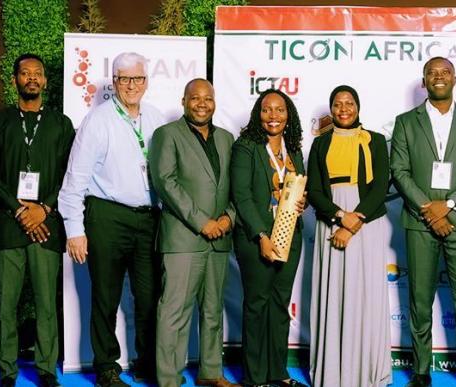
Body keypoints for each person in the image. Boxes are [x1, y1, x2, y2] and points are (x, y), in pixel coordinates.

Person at [58, 52, 166, 387]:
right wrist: (75, 230)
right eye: (124, 79)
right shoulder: (98, 120)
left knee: (149, 297)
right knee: (105, 297)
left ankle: (147, 363)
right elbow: (75, 178)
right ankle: (106, 366)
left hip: (150, 218)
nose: (131, 85)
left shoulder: (156, 117)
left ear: (145, 82)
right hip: (107, 216)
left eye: (138, 79)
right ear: (114, 82)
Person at [390, 56, 456, 387]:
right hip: (420, 224)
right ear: (423, 81)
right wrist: (428, 209)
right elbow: (400, 171)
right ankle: (421, 371)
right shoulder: (406, 121)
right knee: (419, 300)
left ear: (454, 78)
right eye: (432, 73)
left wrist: (447, 206)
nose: (438, 77)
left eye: (444, 72)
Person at [0, 53, 74, 387]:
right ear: (14, 80)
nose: (32, 78)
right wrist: (19, 209)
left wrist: (45, 208)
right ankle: (6, 370)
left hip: (46, 226)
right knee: (5, 303)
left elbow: (70, 173)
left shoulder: (61, 124)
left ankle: (46, 369)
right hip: (7, 224)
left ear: (46, 81)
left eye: (38, 73)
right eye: (25, 73)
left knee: (46, 302)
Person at [149, 79, 239, 387]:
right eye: (195, 98)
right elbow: (166, 183)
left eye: (208, 98)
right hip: (183, 239)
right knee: (174, 312)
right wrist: (203, 222)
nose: (202, 103)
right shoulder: (166, 135)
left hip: (220, 239)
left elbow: (236, 187)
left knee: (213, 311)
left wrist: (228, 218)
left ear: (214, 102)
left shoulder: (227, 138)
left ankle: (211, 373)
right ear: (183, 101)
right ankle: (169, 379)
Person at [308, 85, 391, 387]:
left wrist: (354, 221)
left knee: (364, 293)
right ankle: (333, 371)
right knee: (335, 293)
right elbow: (314, 190)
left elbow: (381, 185)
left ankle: (365, 368)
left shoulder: (376, 141)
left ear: (358, 106)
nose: (344, 109)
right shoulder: (320, 144)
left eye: (349, 103)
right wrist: (340, 217)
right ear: (331, 110)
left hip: (367, 224)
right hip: (331, 220)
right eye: (338, 104)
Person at [230, 88, 307, 387]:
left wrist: (304, 201)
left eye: (279, 110)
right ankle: (255, 377)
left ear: (289, 115)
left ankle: (278, 372)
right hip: (257, 238)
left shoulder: (294, 149)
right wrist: (261, 234)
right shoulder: (246, 147)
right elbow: (242, 195)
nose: (273, 116)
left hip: (290, 234)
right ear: (257, 114)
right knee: (257, 304)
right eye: (266, 110)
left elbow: (298, 189)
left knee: (279, 303)